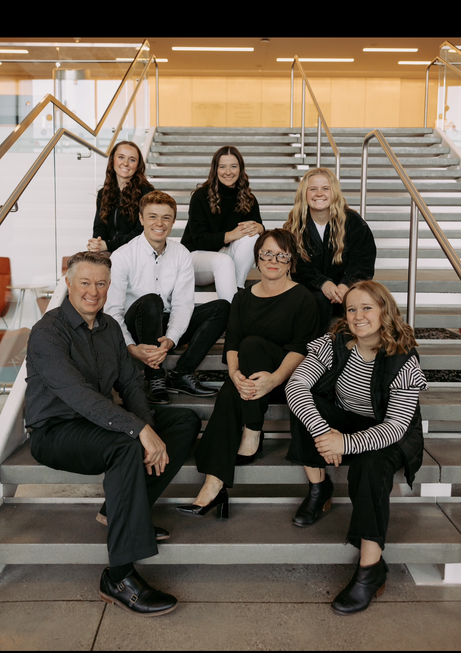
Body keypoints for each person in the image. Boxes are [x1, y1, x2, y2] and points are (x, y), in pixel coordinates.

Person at [25, 251, 201, 617]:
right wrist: (138, 430)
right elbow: (79, 396)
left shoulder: (108, 330)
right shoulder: (47, 332)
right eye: (85, 282)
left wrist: (148, 425)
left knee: (183, 421)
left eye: (101, 283)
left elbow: (132, 384)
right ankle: (119, 577)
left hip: (101, 422)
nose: (93, 291)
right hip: (55, 430)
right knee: (125, 444)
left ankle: (118, 509)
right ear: (69, 284)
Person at [285, 280, 428, 615]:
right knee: (305, 406)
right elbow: (297, 384)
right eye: (352, 308)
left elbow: (394, 427)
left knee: (370, 465)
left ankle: (370, 567)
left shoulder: (403, 359)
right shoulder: (333, 342)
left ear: (384, 311)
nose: (358, 315)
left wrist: (345, 443)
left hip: (393, 432)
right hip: (347, 419)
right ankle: (320, 489)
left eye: (367, 308)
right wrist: (324, 432)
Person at [176, 229, 319, 519]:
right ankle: (212, 485)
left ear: (291, 262)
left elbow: (301, 349)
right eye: (267, 253)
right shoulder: (243, 298)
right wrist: (235, 374)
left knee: (253, 345)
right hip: (250, 383)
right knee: (230, 391)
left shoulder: (303, 297)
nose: (273, 260)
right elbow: (233, 343)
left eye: (281, 255)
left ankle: (253, 430)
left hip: (287, 380)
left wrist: (276, 378)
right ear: (257, 258)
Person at [104, 190, 230, 404]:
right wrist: (131, 348)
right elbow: (112, 311)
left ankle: (181, 373)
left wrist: (170, 339)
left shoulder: (181, 253)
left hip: (165, 322)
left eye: (166, 218)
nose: (159, 223)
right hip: (136, 324)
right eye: (153, 216)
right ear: (142, 219)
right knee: (152, 300)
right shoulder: (122, 256)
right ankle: (155, 378)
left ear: (173, 222)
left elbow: (183, 304)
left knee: (222, 307)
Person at [284, 167, 376, 335]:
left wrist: (345, 285)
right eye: (313, 189)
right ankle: (313, 352)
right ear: (304, 194)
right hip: (313, 295)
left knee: (370, 299)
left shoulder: (353, 222)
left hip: (348, 292)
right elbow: (297, 267)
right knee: (318, 298)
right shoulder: (295, 225)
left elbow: (363, 263)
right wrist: (323, 283)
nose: (319, 193)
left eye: (325, 188)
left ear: (334, 192)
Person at [180, 145, 265, 302]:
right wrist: (231, 235)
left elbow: (259, 234)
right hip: (196, 257)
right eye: (222, 167)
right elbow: (200, 239)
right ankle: (234, 310)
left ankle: (237, 288)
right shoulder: (200, 196)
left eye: (233, 166)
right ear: (215, 169)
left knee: (252, 237)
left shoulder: (248, 198)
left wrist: (260, 228)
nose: (228, 172)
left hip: (225, 258)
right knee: (223, 261)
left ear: (240, 169)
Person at [87, 140, 153, 255]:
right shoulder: (104, 193)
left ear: (137, 165)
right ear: (112, 160)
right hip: (110, 251)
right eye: (121, 157)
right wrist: (97, 243)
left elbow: (142, 232)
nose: (126, 163)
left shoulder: (147, 193)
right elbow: (100, 227)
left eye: (132, 160)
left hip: (136, 251)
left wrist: (108, 245)